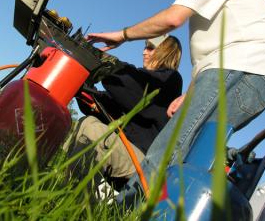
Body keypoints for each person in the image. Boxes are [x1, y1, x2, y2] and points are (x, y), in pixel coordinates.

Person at [86, 0, 265, 204]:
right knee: (192, 156)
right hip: (252, 74)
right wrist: (189, 95)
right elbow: (212, 53)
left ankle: (124, 210)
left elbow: (173, 18)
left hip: (241, 68)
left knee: (170, 146)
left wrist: (122, 34)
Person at [65, 35, 183, 185]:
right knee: (82, 124)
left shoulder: (171, 80)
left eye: (150, 48)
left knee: (92, 129)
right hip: (127, 153)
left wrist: (98, 60)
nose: (144, 52)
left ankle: (76, 200)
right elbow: (106, 105)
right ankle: (68, 190)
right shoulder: (140, 81)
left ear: (166, 52)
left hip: (146, 163)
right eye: (145, 47)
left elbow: (133, 87)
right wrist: (81, 85)